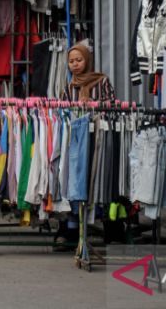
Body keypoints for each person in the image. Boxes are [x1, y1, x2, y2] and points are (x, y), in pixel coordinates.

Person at [55, 43, 115, 248]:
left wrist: (94, 108)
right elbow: (61, 113)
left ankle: (107, 227)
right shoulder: (69, 87)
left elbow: (112, 106)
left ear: (87, 60)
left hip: (98, 138)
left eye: (79, 60)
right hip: (75, 141)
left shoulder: (102, 81)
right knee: (76, 179)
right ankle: (71, 228)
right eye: (71, 61)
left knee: (97, 178)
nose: (75, 65)